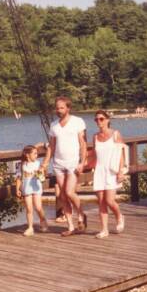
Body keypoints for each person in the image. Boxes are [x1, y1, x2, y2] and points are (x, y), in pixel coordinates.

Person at [42, 96, 88, 236]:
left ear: (68, 108)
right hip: (58, 164)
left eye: (62, 108)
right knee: (63, 195)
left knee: (69, 192)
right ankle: (70, 226)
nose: (59, 110)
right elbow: (51, 146)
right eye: (57, 108)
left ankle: (81, 214)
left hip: (73, 163)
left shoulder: (77, 122)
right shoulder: (54, 125)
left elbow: (83, 144)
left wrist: (82, 162)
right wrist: (45, 163)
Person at [91, 110, 126, 238]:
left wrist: (121, 171)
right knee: (101, 202)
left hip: (111, 171)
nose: (99, 121)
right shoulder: (95, 137)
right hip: (99, 171)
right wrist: (84, 166)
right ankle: (104, 230)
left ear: (107, 120)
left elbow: (121, 154)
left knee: (110, 200)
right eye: (96, 119)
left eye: (101, 119)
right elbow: (94, 156)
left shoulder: (115, 134)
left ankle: (119, 216)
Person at [15, 145, 48, 236]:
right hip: (26, 188)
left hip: (36, 187)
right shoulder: (21, 165)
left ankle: (43, 220)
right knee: (29, 209)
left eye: (37, 153)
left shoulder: (38, 164)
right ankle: (30, 228)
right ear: (27, 155)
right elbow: (18, 178)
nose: (36, 155)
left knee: (38, 207)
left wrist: (42, 172)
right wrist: (17, 189)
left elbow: (43, 176)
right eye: (34, 153)